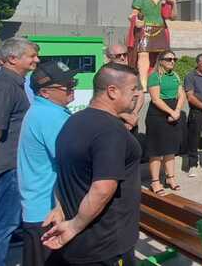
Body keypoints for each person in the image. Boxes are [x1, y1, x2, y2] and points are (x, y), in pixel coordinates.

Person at [42, 63, 143, 264]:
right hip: (105, 245)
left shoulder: (74, 121)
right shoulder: (110, 130)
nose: (137, 94)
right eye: (133, 89)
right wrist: (74, 226)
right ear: (112, 91)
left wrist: (60, 207)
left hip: (81, 244)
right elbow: (103, 187)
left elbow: (65, 171)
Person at [0, 37, 40, 266]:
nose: (36, 60)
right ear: (12, 58)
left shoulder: (14, 83)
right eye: (31, 56)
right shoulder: (4, 86)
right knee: (1, 225)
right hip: (6, 166)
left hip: (10, 164)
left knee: (4, 223)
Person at [17, 61, 77, 265]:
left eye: (72, 82)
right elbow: (73, 160)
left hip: (37, 206)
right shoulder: (51, 117)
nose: (72, 87)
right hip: (47, 211)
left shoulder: (41, 111)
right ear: (44, 92)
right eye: (67, 85)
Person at [145, 50, 186, 194]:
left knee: (170, 149)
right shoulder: (154, 77)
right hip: (158, 115)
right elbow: (156, 99)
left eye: (174, 59)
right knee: (156, 150)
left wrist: (177, 111)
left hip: (173, 112)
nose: (172, 62)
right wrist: (172, 112)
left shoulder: (175, 75)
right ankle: (155, 182)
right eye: (169, 59)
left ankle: (170, 178)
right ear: (161, 60)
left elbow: (181, 95)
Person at [130, 0, 172, 89]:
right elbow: (133, 13)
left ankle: (161, 83)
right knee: (143, 55)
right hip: (145, 29)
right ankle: (143, 85)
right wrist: (135, 20)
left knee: (162, 57)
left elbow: (170, 15)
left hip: (160, 28)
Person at [105, 44, 143, 130]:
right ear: (109, 58)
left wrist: (134, 114)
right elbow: (103, 102)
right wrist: (125, 117)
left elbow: (140, 94)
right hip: (112, 122)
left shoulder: (133, 73)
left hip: (132, 121)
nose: (123, 58)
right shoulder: (104, 75)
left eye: (125, 54)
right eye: (118, 56)